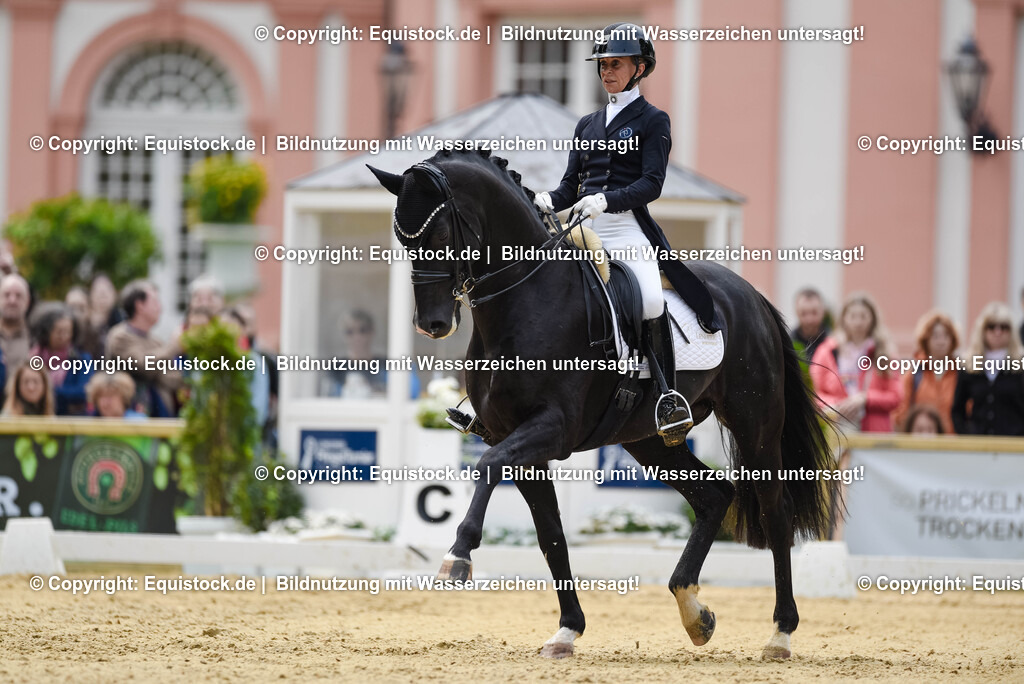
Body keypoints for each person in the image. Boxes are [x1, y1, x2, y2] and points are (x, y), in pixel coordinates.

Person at [533, 22, 718, 445]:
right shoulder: (587, 124)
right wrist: (545, 199)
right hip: (583, 229)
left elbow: (652, 183)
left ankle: (667, 397)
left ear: (640, 68)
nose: (606, 71)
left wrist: (607, 199)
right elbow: (569, 187)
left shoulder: (654, 120)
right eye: (602, 64)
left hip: (626, 228)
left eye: (615, 64)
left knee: (651, 299)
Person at [810, 292, 902, 432]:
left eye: (863, 316)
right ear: (844, 318)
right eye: (853, 316)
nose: (858, 322)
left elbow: (896, 397)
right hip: (837, 428)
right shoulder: (827, 351)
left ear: (872, 319)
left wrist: (865, 399)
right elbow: (814, 392)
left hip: (874, 431)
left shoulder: (885, 353)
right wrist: (837, 405)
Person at [105, 280, 183, 417]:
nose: (160, 307)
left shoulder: (156, 341)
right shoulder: (120, 336)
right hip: (129, 418)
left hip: (160, 415)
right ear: (139, 305)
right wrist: (174, 346)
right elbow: (143, 365)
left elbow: (174, 378)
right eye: (155, 301)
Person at [952, 302, 1024, 436]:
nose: (998, 332)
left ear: (1011, 332)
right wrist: (966, 435)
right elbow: (958, 410)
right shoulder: (970, 365)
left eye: (1004, 327)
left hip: (1014, 443)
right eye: (991, 327)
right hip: (979, 443)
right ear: (982, 330)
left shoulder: (1020, 365)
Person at [891, 311, 960, 434]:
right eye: (935, 336)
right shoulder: (914, 373)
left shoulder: (961, 374)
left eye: (946, 336)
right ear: (926, 340)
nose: (941, 341)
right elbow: (900, 411)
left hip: (953, 442)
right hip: (921, 441)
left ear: (952, 340)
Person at [29, 302, 94, 415]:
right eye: (59, 332)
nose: (64, 336)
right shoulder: (33, 357)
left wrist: (47, 390)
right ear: (46, 332)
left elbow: (83, 392)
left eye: (68, 332)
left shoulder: (81, 359)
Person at [321, 309, 387, 399]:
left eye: (362, 330)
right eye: (350, 332)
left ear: (372, 332)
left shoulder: (384, 367)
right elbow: (327, 399)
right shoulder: (335, 370)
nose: (357, 337)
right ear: (344, 335)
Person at [791, 287, 831, 384]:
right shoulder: (789, 343)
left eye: (814, 312)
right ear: (796, 312)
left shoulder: (834, 343)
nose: (809, 319)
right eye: (804, 313)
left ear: (823, 311)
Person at [0, 273, 32, 374]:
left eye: (18, 296)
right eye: (7, 295)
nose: (12, 301)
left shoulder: (36, 337)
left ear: (27, 301)